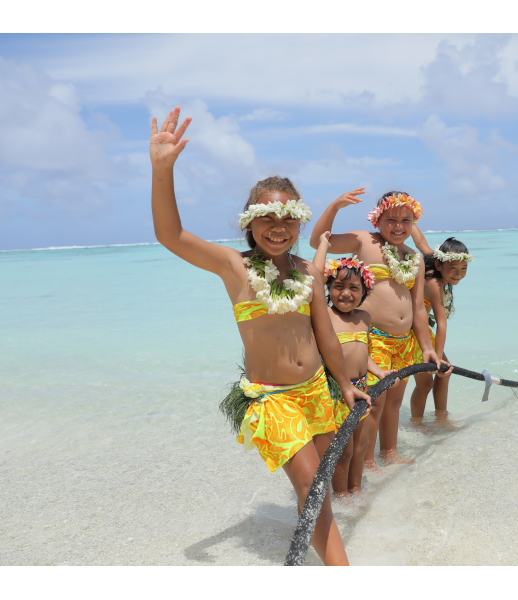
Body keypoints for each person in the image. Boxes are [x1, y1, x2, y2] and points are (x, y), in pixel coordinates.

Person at [150, 107, 368, 566]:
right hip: (273, 399)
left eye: (288, 219)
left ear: (299, 223)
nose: (278, 227)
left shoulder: (309, 271)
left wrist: (345, 383)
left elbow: (325, 335)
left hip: (317, 391)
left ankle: (320, 549)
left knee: (319, 487)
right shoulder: (235, 267)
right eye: (267, 216)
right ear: (249, 222)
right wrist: (163, 169)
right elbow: (170, 235)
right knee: (311, 488)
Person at [309, 189, 445, 468]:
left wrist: (428, 347)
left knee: (395, 401)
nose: (398, 226)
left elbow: (419, 307)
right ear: (377, 219)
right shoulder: (364, 241)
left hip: (404, 342)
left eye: (406, 220)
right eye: (391, 219)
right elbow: (317, 241)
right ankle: (366, 460)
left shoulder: (414, 258)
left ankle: (389, 452)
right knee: (374, 404)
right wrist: (334, 206)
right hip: (373, 340)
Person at [313, 232, 393, 496]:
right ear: (328, 287)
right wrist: (324, 246)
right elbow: (313, 278)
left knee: (360, 445)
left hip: (362, 389)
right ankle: (341, 495)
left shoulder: (364, 317)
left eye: (354, 288)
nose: (345, 293)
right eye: (338, 286)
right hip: (336, 392)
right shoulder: (324, 316)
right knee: (343, 450)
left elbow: (363, 353)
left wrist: (380, 371)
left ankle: (356, 490)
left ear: (365, 292)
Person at [408, 226, 472, 423]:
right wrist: (437, 355)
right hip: (413, 333)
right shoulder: (434, 284)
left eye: (463, 269)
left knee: (445, 373)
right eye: (453, 269)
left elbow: (421, 243)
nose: (458, 274)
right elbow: (442, 322)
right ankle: (417, 422)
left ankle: (441, 416)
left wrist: (412, 222)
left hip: (424, 331)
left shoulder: (435, 260)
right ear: (439, 264)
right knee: (425, 383)